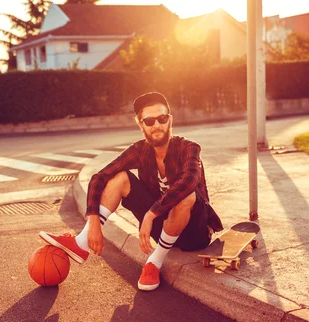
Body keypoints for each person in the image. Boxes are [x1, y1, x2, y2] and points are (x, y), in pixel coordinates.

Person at [40, 92, 222, 291]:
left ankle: (154, 261)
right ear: (140, 124)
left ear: (169, 120)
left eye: (161, 119)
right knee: (119, 178)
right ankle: (81, 243)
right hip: (162, 226)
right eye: (149, 121)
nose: (157, 125)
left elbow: (189, 180)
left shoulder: (188, 148)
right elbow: (99, 178)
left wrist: (151, 214)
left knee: (186, 194)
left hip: (194, 234)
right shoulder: (140, 150)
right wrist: (93, 222)